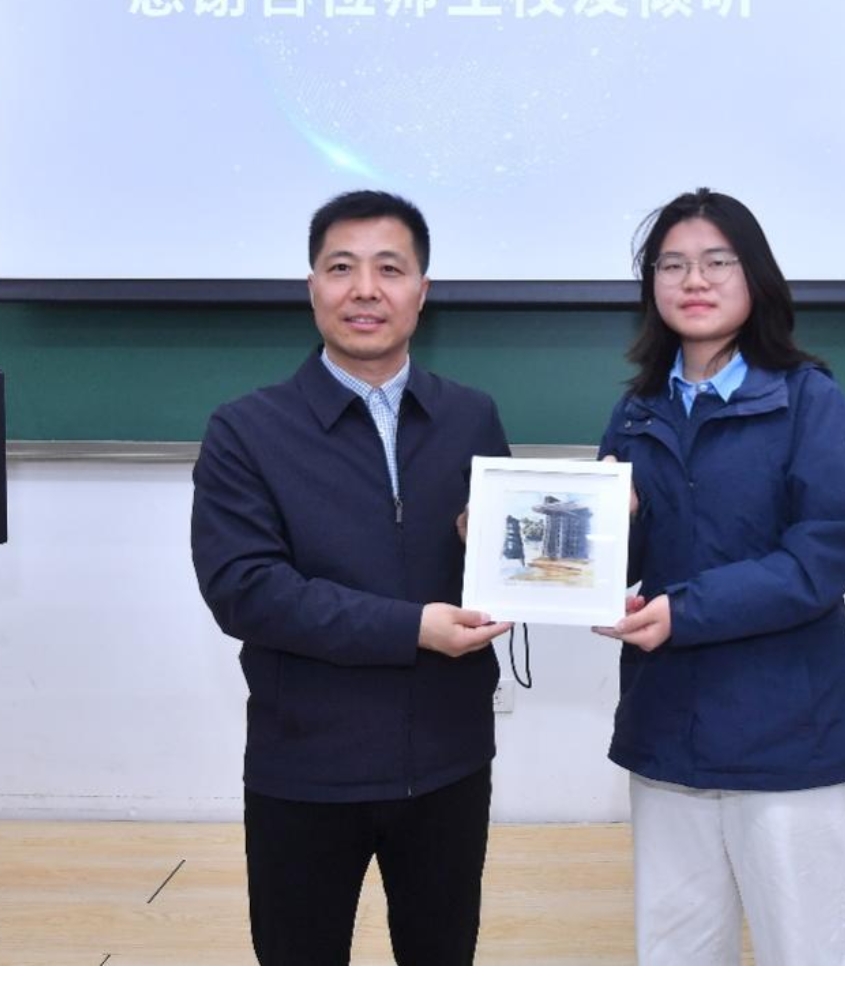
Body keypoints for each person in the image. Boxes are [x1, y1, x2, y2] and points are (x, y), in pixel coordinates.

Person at [190, 190, 512, 966]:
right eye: (341, 268)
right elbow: (246, 591)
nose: (365, 290)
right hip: (306, 767)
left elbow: (508, 567)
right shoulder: (245, 430)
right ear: (312, 287)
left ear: (421, 291)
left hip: (449, 761)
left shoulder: (471, 417)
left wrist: (505, 552)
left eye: (389, 269)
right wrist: (413, 628)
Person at [593, 188, 845, 966]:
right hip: (667, 726)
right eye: (671, 265)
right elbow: (617, 565)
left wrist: (683, 611)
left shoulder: (810, 400)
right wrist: (573, 539)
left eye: (716, 261)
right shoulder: (636, 412)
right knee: (676, 953)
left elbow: (820, 561)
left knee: (807, 953)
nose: (693, 280)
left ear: (754, 275)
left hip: (787, 728)